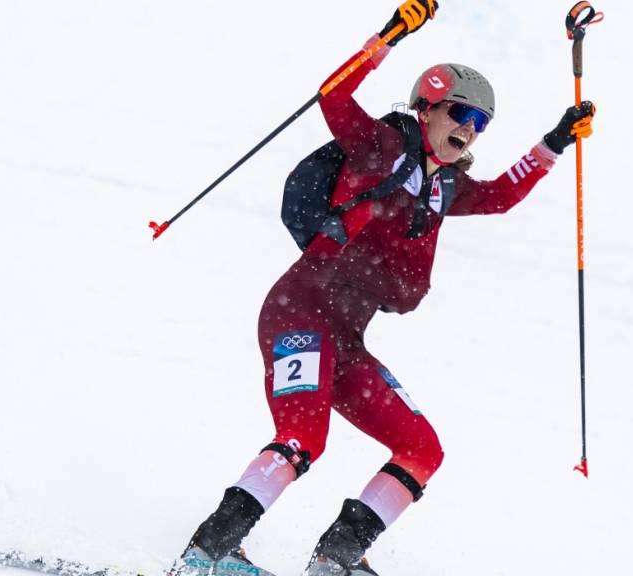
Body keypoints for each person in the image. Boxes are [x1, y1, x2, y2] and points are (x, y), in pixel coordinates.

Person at [170, 2, 595, 575]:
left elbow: (498, 196)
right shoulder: (381, 147)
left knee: (422, 449)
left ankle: (335, 561)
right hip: (300, 312)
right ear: (427, 108)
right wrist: (391, 36)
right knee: (302, 439)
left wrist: (553, 144)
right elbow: (333, 96)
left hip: (345, 337)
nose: (469, 129)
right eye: (460, 113)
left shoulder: (446, 187)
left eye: (480, 123)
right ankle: (205, 555)